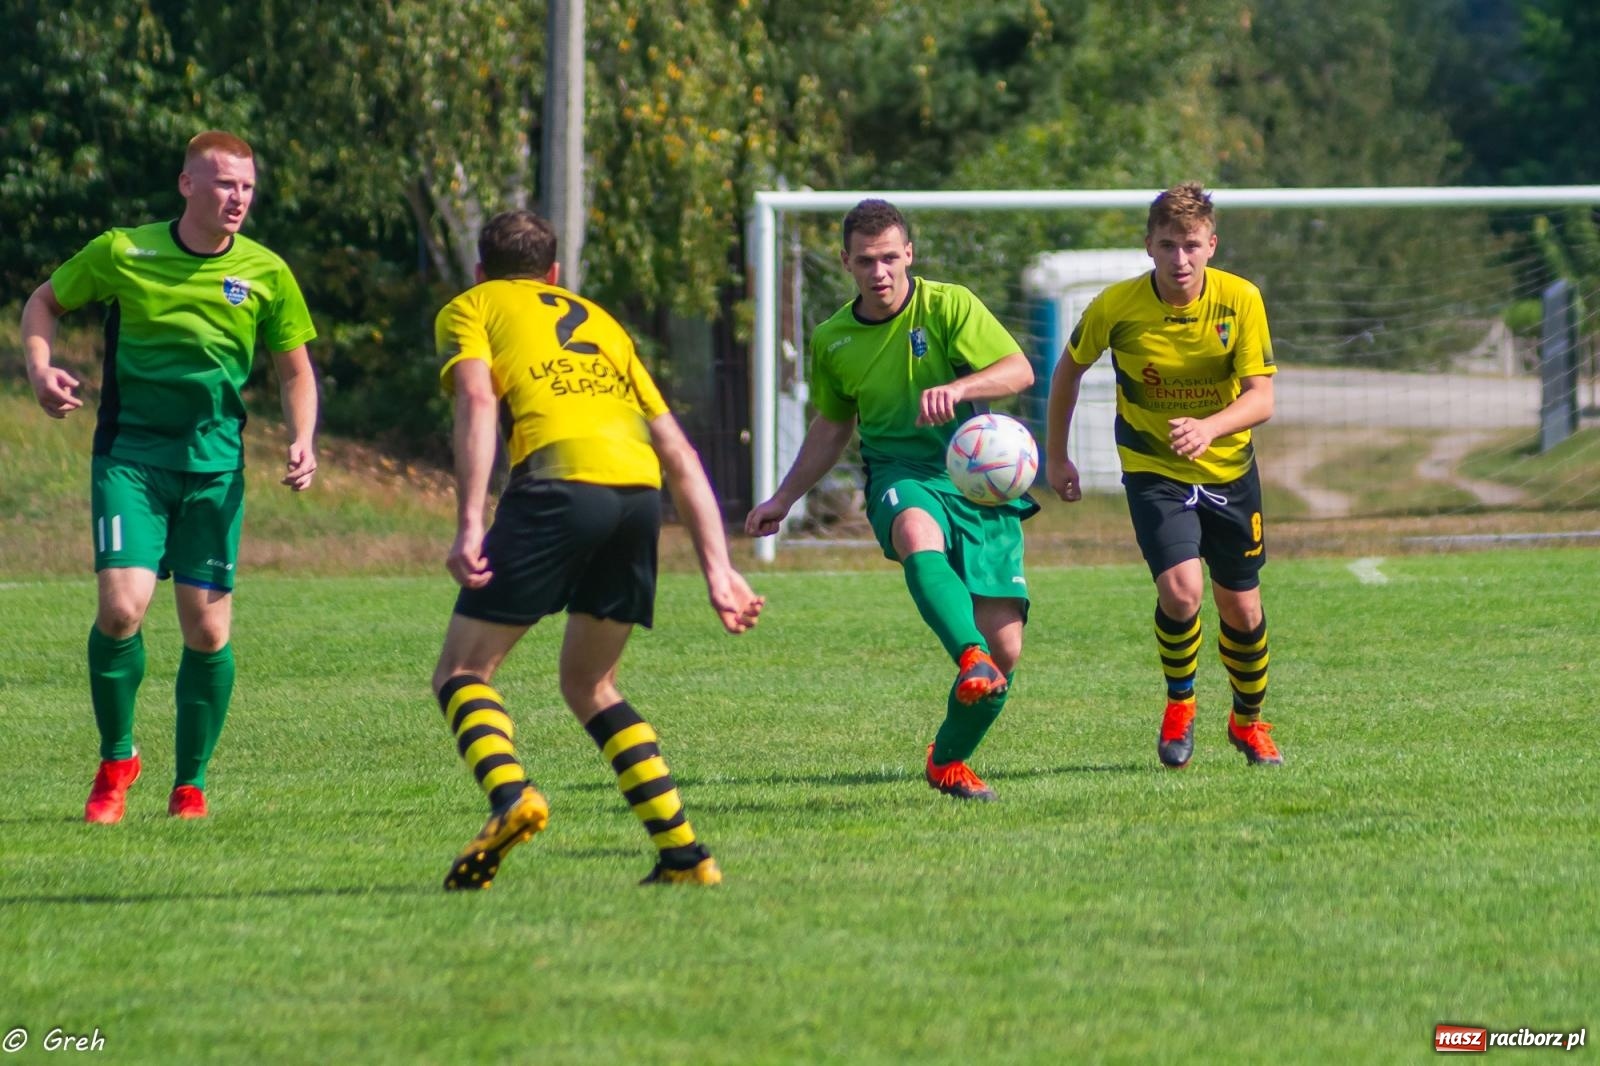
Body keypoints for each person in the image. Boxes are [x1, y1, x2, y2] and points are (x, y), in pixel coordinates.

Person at [431, 208, 764, 891]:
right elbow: (676, 448)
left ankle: (510, 797)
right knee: (590, 684)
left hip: (558, 485)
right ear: (554, 274)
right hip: (637, 496)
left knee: (463, 674)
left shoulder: (471, 307)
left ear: (480, 271)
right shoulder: (600, 320)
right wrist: (720, 569)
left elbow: (474, 396)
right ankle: (684, 856)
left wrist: (470, 520)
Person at [20, 130, 320, 824]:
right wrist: (40, 369)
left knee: (207, 634)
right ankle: (116, 759)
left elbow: (296, 371)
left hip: (216, 472)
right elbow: (43, 303)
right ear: (187, 185)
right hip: (131, 459)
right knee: (122, 609)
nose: (237, 197)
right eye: (223, 184)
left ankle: (190, 783)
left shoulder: (267, 272)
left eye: (246, 186)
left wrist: (304, 437)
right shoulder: (125, 250)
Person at [745, 199, 1035, 801]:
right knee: (912, 529)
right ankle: (968, 656)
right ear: (847, 262)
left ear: (909, 254)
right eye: (865, 261)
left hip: (976, 479)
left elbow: (1018, 370)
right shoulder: (833, 339)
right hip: (900, 471)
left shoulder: (948, 305)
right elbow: (831, 427)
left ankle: (947, 761)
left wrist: (961, 387)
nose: (879, 272)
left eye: (889, 258)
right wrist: (783, 497)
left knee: (1008, 655)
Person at [1044, 181, 1281, 768]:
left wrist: (1209, 427)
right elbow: (1066, 373)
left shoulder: (1240, 300)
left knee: (1242, 611)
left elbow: (1262, 398)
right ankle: (1180, 704)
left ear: (1212, 246)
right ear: (1148, 245)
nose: (1181, 258)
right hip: (1153, 469)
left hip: (1229, 471)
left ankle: (1248, 722)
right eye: (1169, 245)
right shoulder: (1115, 307)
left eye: (1192, 245)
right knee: (1181, 593)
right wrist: (1056, 456)